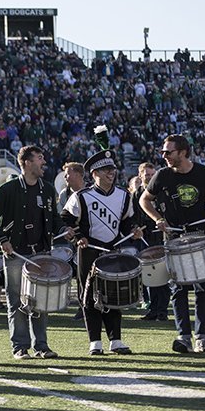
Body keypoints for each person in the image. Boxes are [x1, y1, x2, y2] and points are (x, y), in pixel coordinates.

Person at [139, 134, 205, 353]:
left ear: (183, 152)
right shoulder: (161, 175)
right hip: (175, 238)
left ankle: (202, 337)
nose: (164, 156)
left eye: (169, 152)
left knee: (203, 287)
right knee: (178, 288)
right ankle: (183, 336)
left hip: (201, 237)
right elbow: (144, 200)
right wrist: (158, 218)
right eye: (163, 152)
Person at [0, 146, 72, 360]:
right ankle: (20, 347)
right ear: (26, 163)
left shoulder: (48, 189)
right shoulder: (7, 190)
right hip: (16, 254)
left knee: (40, 301)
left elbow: (55, 217)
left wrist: (63, 229)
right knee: (17, 301)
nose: (44, 162)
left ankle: (41, 345)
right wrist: (2, 240)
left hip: (41, 253)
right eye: (40, 158)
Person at [61, 150, 141, 355]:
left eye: (112, 169)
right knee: (88, 296)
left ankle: (116, 340)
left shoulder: (124, 195)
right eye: (106, 170)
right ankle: (94, 342)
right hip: (89, 251)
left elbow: (126, 222)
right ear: (94, 173)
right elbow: (66, 221)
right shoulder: (81, 196)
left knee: (114, 295)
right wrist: (79, 237)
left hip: (113, 250)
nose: (111, 173)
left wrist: (133, 230)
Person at [132, 162, 168, 321]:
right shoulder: (136, 194)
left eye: (151, 174)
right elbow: (131, 216)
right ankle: (153, 309)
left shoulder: (161, 191)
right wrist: (135, 228)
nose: (149, 177)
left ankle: (162, 310)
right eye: (146, 175)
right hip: (144, 239)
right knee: (149, 275)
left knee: (162, 275)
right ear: (140, 176)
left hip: (160, 238)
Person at [57, 162, 87, 320]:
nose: (65, 177)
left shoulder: (91, 191)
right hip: (74, 241)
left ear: (78, 175)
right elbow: (61, 218)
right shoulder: (64, 194)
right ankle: (83, 306)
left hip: (91, 239)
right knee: (80, 275)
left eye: (68, 173)